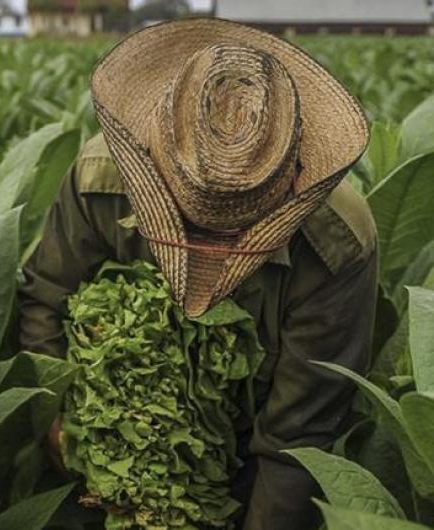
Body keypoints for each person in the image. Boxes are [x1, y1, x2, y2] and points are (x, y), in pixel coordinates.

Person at [18, 18, 377, 530]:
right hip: (102, 461)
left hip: (243, 471)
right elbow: (46, 302)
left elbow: (297, 439)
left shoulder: (337, 244)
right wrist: (53, 423)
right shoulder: (98, 180)